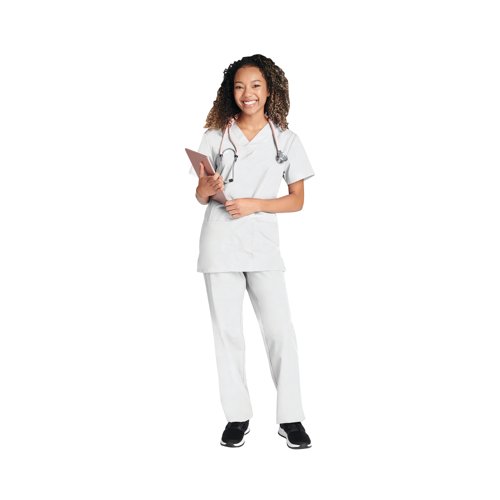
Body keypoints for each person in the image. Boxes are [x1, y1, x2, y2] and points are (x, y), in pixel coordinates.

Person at [191, 54, 314, 449]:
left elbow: (297, 200)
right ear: (231, 91)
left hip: (262, 246)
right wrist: (205, 190)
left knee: (280, 332)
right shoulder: (215, 137)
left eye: (256, 85)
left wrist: (255, 204)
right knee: (227, 334)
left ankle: (291, 418)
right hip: (220, 244)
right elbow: (200, 195)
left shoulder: (286, 140)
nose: (248, 93)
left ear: (269, 90)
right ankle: (237, 416)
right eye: (240, 86)